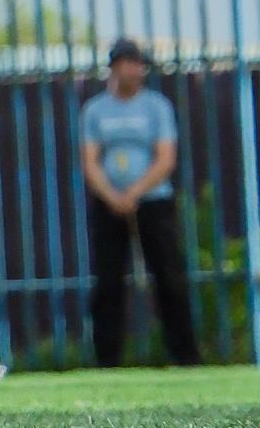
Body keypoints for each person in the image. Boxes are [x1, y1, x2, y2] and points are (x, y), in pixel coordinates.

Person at [82, 36, 202, 366]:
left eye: (139, 64)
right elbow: (90, 161)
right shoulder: (95, 110)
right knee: (108, 282)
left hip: (153, 201)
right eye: (129, 63)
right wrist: (112, 195)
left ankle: (185, 357)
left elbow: (165, 158)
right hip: (109, 205)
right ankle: (107, 360)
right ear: (115, 67)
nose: (135, 70)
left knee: (169, 278)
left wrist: (133, 193)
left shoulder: (156, 106)